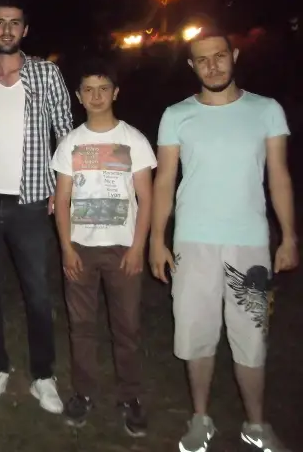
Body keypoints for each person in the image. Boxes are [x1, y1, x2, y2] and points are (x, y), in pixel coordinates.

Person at [150, 28, 298, 452]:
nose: (212, 66)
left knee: (251, 336)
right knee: (195, 333)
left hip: (249, 244)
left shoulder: (266, 110)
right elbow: (165, 181)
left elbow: (279, 177)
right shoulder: (176, 115)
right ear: (191, 65)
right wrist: (157, 239)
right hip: (192, 243)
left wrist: (289, 236)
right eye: (202, 59)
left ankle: (256, 424)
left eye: (219, 56)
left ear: (234, 55)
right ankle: (201, 419)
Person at [0, 0, 73, 411]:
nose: (6, 29)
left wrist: (62, 189)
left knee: (37, 291)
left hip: (31, 202)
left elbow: (65, 131)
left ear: (25, 30)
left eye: (14, 22)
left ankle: (43, 375)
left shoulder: (46, 73)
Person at [51, 59, 155, 436]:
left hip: (122, 249)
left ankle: (130, 396)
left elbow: (147, 198)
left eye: (103, 88)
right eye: (88, 90)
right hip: (81, 247)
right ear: (79, 97)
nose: (96, 96)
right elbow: (63, 200)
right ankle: (84, 393)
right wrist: (67, 248)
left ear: (115, 93)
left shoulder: (134, 140)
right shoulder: (71, 143)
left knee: (126, 326)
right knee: (81, 325)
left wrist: (138, 248)